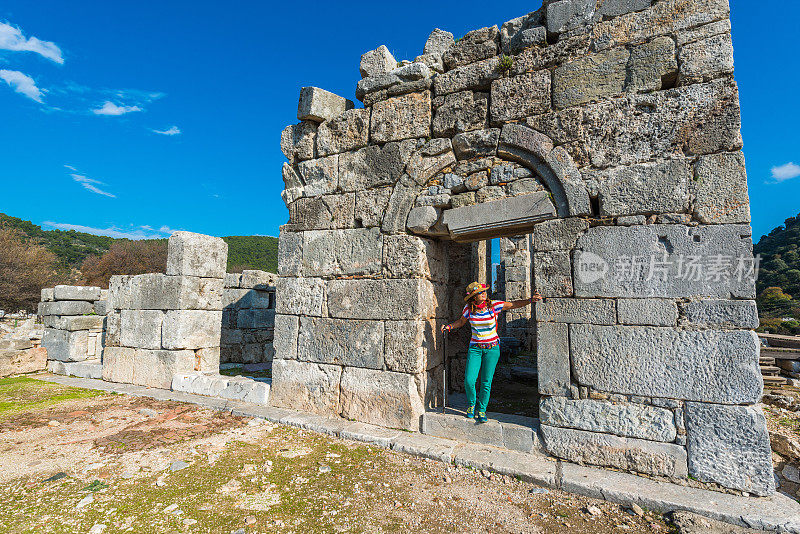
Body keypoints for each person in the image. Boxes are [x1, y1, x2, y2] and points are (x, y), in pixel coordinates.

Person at [441, 282, 542, 423]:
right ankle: (471, 404)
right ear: (473, 297)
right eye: (480, 292)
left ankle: (482, 409)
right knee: (469, 380)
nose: (484, 293)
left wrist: (530, 300)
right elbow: (461, 322)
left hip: (492, 348)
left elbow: (513, 304)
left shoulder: (494, 305)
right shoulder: (468, 309)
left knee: (486, 381)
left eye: (484, 291)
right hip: (475, 348)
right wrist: (449, 326)